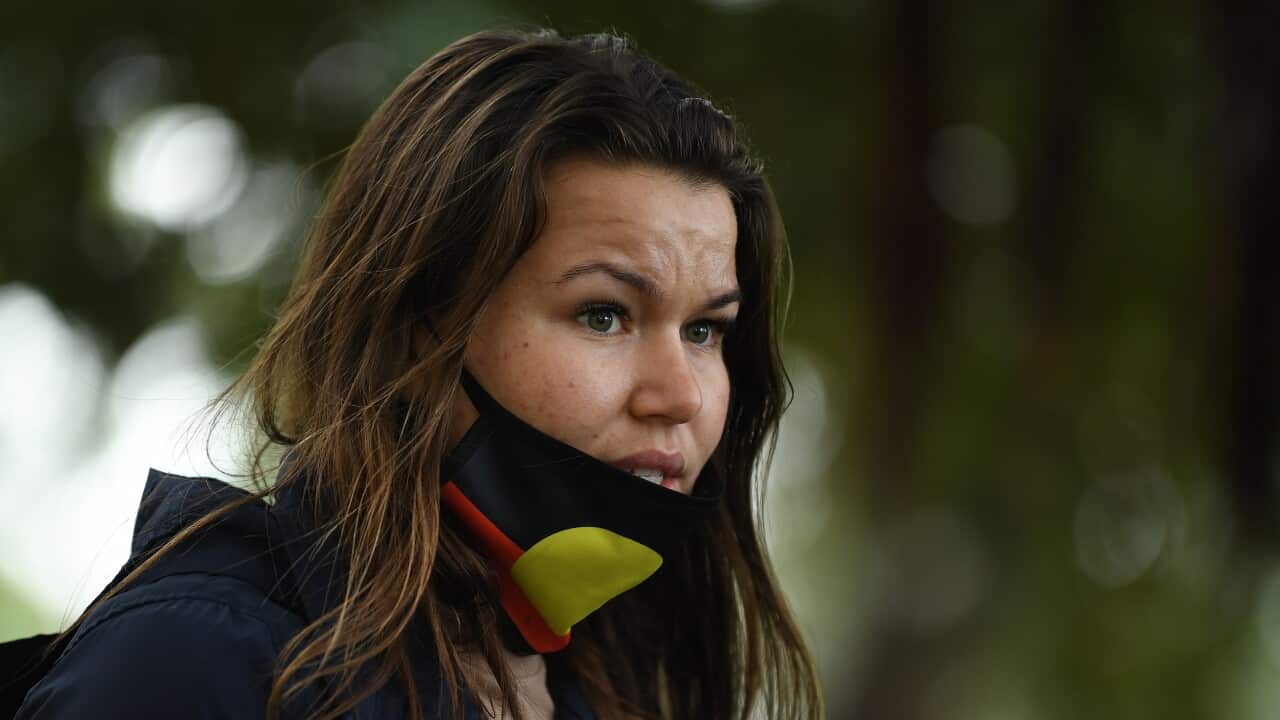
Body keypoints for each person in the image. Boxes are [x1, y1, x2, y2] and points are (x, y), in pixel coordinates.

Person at [10, 27, 822, 719]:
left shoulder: (599, 691)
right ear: (415, 325)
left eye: (705, 330)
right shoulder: (202, 662)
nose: (680, 395)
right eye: (603, 315)